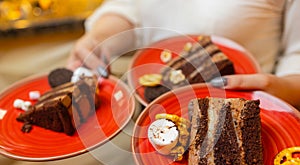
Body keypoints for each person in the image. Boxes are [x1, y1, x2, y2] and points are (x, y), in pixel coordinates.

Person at [67, 0, 300, 109]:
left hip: (240, 118)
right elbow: (128, 7)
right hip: (156, 113)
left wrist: (278, 91)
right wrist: (100, 39)